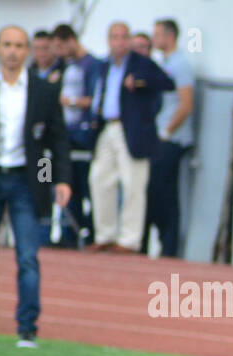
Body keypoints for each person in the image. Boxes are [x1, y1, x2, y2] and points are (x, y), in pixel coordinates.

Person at [0, 24, 72, 347]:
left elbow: (54, 142)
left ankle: (27, 327)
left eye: (19, 45)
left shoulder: (43, 91)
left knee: (28, 255)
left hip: (26, 181)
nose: (12, 51)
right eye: (7, 44)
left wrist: (57, 180)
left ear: (27, 51)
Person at [87, 21, 173, 254]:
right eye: (115, 37)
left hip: (132, 130)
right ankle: (105, 234)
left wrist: (139, 83)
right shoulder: (104, 65)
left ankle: (129, 240)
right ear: (108, 40)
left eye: (124, 37)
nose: (119, 42)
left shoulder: (142, 64)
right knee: (99, 178)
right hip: (107, 127)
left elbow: (167, 83)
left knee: (133, 183)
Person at [142, 18, 194, 258]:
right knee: (157, 192)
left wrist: (167, 132)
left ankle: (170, 247)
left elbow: (186, 104)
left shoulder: (181, 65)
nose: (154, 40)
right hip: (161, 138)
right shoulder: (165, 63)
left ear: (169, 36)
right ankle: (163, 244)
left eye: (157, 34)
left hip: (171, 140)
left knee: (165, 194)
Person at [50, 23, 101, 247]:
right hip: (63, 139)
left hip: (83, 138)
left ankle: (87, 234)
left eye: (61, 46)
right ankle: (65, 234)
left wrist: (68, 101)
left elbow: (94, 102)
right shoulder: (63, 66)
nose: (58, 52)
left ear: (72, 40)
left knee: (86, 188)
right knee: (59, 184)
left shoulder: (93, 65)